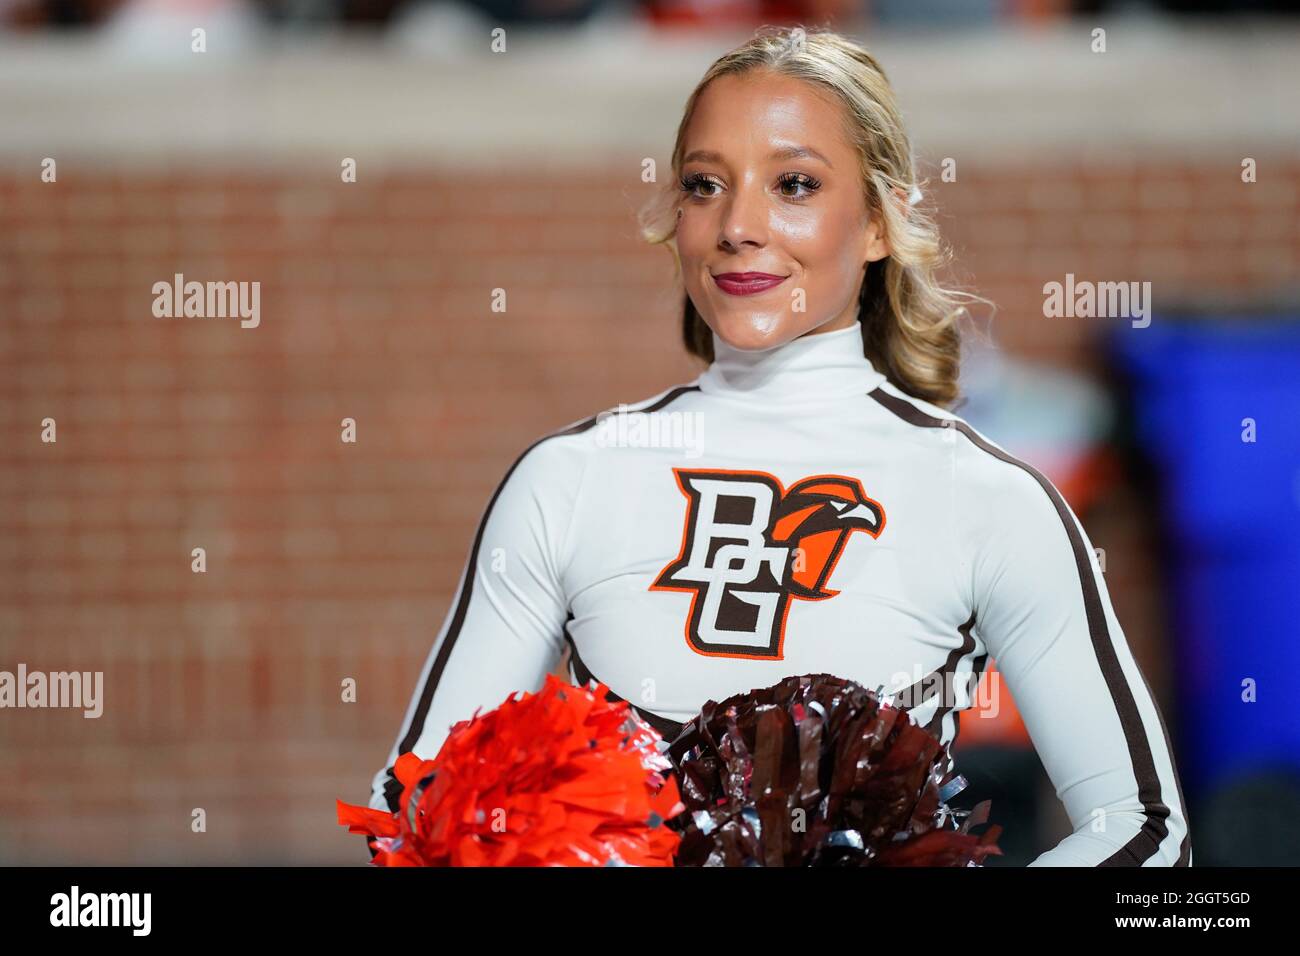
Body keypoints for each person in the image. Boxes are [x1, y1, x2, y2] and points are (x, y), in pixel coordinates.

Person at [368, 25, 1190, 866]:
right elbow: (409, 804)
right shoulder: (567, 479)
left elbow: (1145, 832)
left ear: (879, 221)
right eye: (704, 185)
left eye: (794, 183)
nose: (738, 224)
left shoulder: (986, 497)